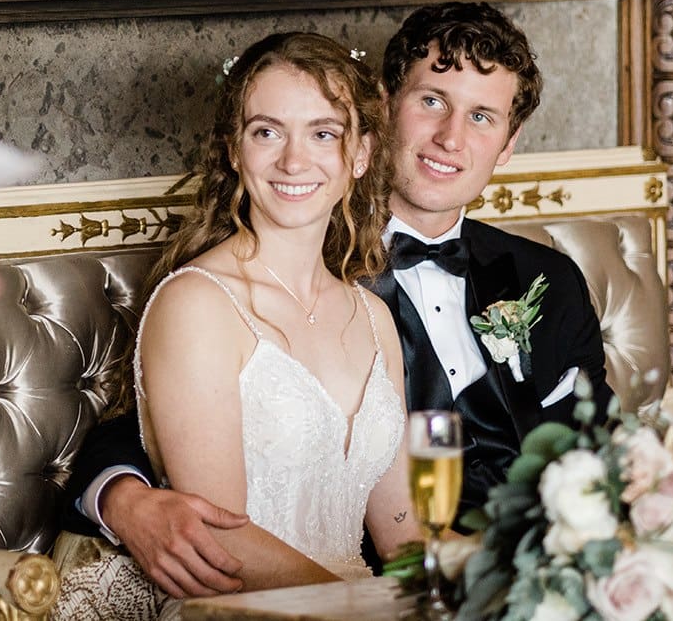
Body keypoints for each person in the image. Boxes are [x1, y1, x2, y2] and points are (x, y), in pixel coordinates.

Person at [62, 3, 612, 600]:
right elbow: (158, 444)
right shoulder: (219, 291)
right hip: (294, 600)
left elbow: (420, 532)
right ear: (384, 111)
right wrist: (120, 495)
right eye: (432, 101)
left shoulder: (536, 281)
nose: (451, 138)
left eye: (481, 116)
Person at [52, 34, 422, 619]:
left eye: (323, 133)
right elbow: (221, 543)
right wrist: (365, 609)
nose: (293, 161)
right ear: (233, 150)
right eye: (267, 132)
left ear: (360, 154)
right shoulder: (198, 304)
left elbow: (403, 536)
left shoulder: (373, 318)